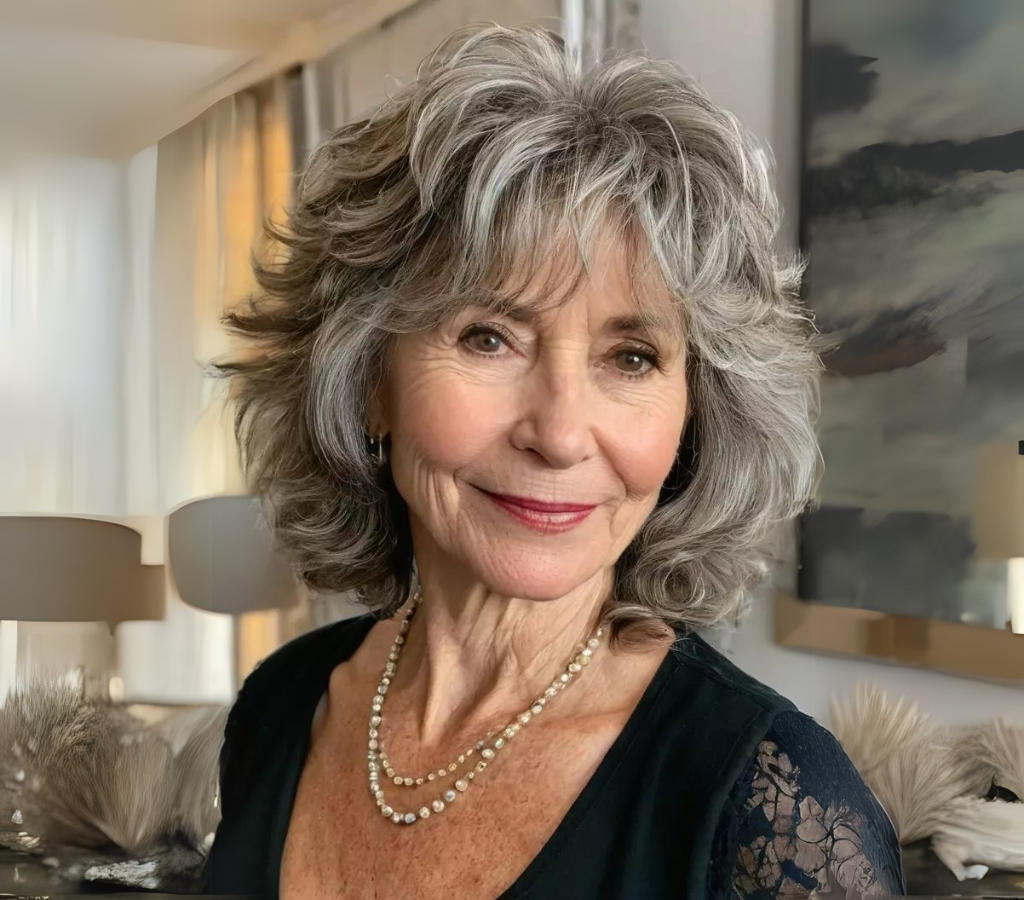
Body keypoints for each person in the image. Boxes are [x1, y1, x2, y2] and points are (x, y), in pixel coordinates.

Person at [204, 23, 905, 900]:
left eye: (632, 357)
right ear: (367, 380)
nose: (562, 433)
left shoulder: (775, 811)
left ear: (695, 414)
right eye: (489, 337)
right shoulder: (280, 707)